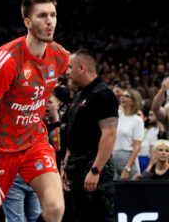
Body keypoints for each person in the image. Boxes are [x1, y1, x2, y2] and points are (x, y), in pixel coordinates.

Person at [0, 0, 68, 222]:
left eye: (53, 15)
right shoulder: (7, 60)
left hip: (34, 142)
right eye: (42, 15)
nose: (49, 21)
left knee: (55, 208)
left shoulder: (60, 57)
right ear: (28, 22)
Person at [62, 49, 118, 222]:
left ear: (82, 68)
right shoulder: (80, 95)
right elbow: (73, 133)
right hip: (76, 166)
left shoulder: (103, 94)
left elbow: (109, 134)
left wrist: (96, 170)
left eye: (70, 67)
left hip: (93, 164)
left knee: (100, 217)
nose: (67, 72)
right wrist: (66, 165)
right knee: (82, 217)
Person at [112, 88, 144, 180]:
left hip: (128, 160)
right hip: (114, 158)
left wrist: (127, 169)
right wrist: (113, 94)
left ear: (134, 101)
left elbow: (137, 147)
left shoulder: (137, 120)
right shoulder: (118, 115)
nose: (122, 98)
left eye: (126, 96)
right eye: (122, 96)